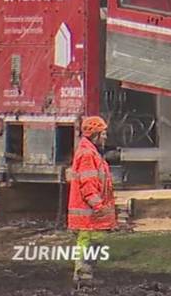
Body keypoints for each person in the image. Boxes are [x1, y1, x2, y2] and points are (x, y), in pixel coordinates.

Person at [67, 116, 116, 287]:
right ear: (95, 134)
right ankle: (83, 277)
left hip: (89, 214)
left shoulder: (90, 152)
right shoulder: (88, 154)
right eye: (103, 133)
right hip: (88, 214)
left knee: (91, 243)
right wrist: (98, 205)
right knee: (87, 243)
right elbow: (88, 185)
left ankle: (85, 275)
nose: (105, 137)